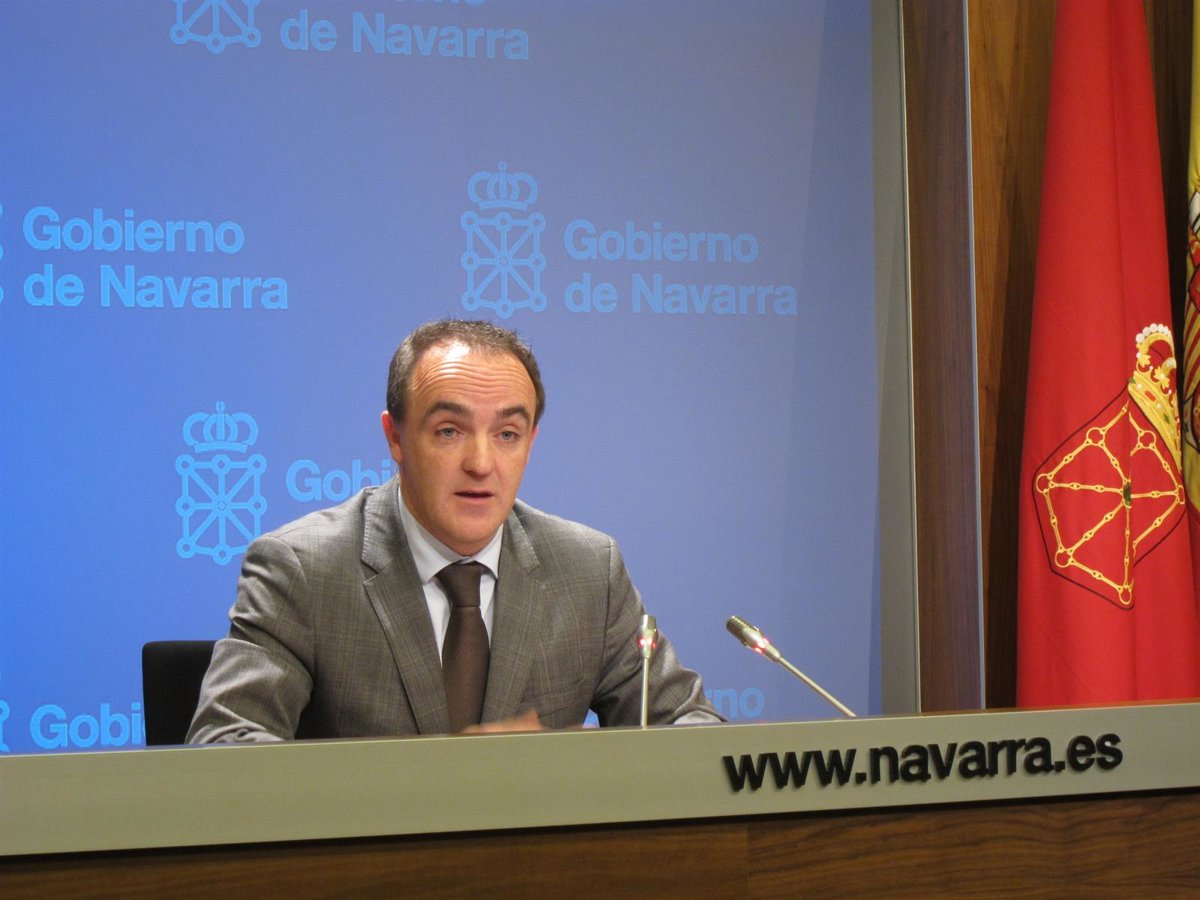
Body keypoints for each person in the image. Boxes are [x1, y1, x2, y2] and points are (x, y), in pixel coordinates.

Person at [187, 319, 720, 742]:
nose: (481, 464)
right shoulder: (303, 569)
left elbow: (690, 729)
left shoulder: (587, 570)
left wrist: (576, 771)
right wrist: (432, 785)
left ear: (531, 442)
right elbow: (227, 743)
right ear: (395, 438)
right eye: (449, 431)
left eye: (507, 434)